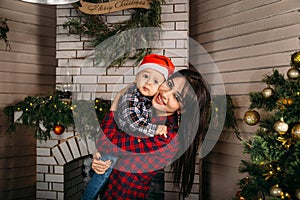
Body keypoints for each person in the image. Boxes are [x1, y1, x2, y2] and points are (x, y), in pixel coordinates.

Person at [91, 68, 211, 199]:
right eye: (169, 84)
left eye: (176, 97)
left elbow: (105, 142)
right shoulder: (142, 107)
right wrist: (99, 157)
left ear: (182, 109)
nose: (166, 94)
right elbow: (111, 146)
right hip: (107, 189)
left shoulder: (165, 137)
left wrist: (118, 98)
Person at [81, 54, 175, 200]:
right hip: (110, 189)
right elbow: (108, 141)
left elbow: (107, 143)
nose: (149, 83)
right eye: (145, 76)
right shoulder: (135, 98)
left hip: (124, 194)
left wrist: (116, 100)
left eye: (156, 81)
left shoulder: (166, 136)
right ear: (136, 77)